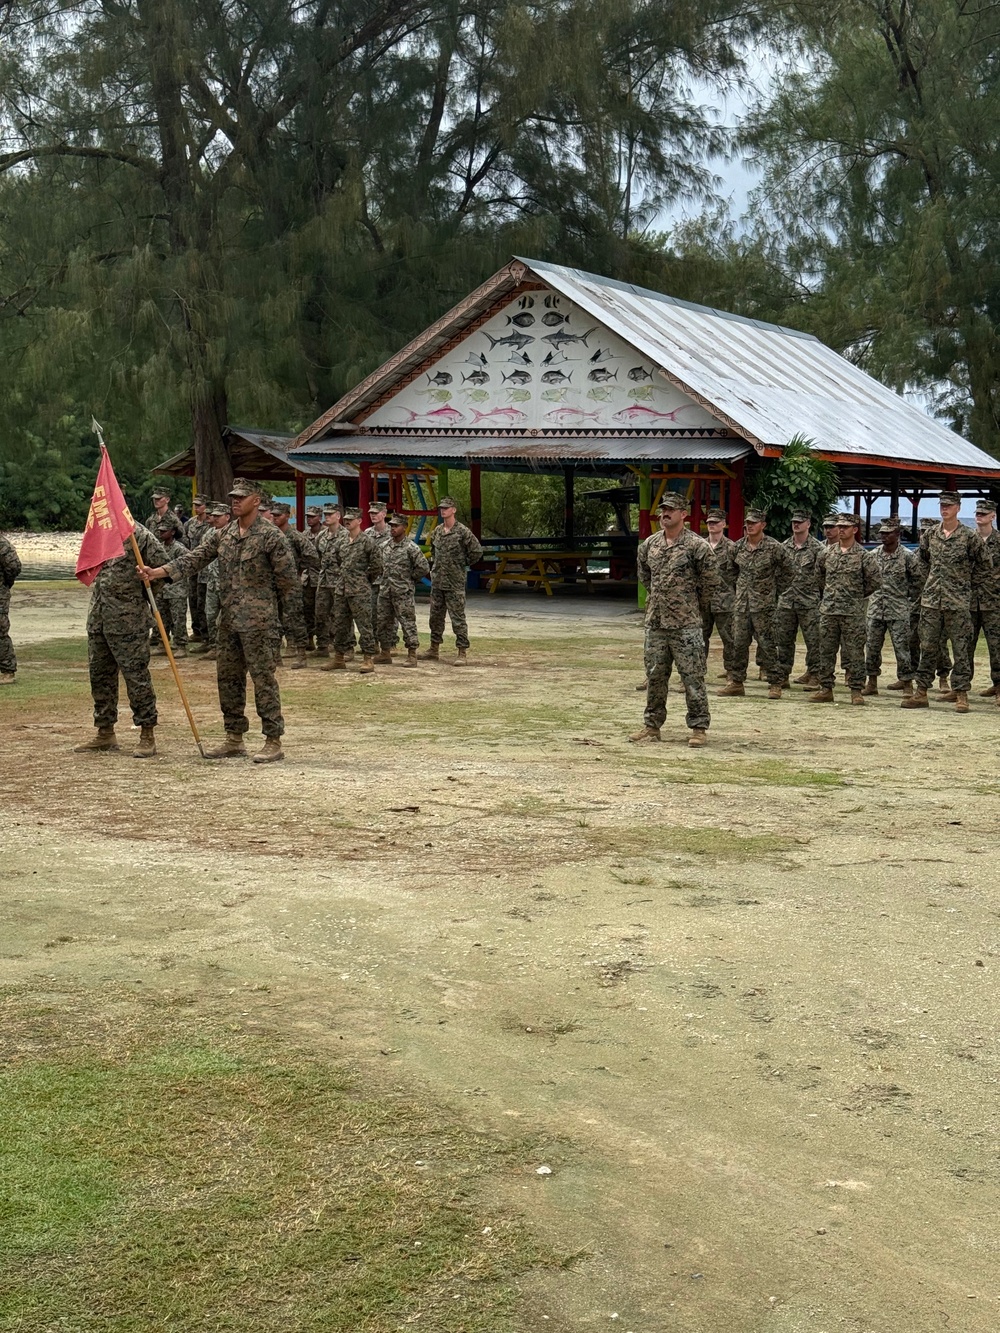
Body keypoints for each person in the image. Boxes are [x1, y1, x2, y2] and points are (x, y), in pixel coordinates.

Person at [139, 477, 305, 763]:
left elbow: (288, 585)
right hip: (227, 621)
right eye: (233, 497)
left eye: (242, 497)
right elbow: (195, 558)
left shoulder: (271, 536)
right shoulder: (223, 534)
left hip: (259, 623)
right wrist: (159, 571)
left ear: (256, 500)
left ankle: (273, 739)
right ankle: (234, 737)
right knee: (228, 679)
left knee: (263, 679)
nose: (235, 501)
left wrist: (291, 632)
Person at [74, 521, 168, 757]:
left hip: (128, 621)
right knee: (100, 677)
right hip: (99, 619)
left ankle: (147, 733)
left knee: (136, 678)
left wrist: (140, 599)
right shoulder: (99, 535)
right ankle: (105, 732)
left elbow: (162, 569)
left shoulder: (139, 535)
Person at [631, 494, 718, 748]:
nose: (665, 513)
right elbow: (645, 576)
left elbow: (711, 582)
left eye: (670, 509)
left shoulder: (696, 546)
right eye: (663, 509)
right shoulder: (650, 544)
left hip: (686, 624)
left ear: (684, 514)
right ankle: (652, 725)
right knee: (655, 676)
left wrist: (689, 604)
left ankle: (699, 727)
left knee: (693, 676)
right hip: (656, 622)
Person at [903, 490, 992, 712]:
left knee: (961, 649)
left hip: (958, 602)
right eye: (942, 505)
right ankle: (921, 691)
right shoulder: (931, 534)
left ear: (958, 508)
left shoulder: (969, 536)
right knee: (928, 647)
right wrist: (928, 585)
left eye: (949, 506)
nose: (945, 509)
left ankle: (961, 694)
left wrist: (966, 585)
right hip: (932, 602)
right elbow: (922, 562)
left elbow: (984, 565)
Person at [717, 507, 795, 699]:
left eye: (754, 523)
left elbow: (789, 571)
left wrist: (774, 591)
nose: (750, 526)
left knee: (767, 644)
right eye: (748, 523)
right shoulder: (737, 547)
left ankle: (775, 683)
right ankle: (736, 682)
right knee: (738, 644)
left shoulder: (774, 547)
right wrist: (739, 588)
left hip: (765, 606)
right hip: (742, 605)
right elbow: (728, 570)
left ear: (763, 525)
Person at [807, 512, 881, 704]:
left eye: (845, 527)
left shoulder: (864, 556)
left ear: (854, 530)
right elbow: (819, 577)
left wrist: (854, 595)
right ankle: (826, 688)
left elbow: (874, 581)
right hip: (829, 610)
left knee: (855, 651)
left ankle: (856, 689)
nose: (840, 530)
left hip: (852, 612)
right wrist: (832, 595)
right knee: (826, 650)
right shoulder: (826, 553)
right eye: (838, 526)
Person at [419, 497, 483, 664]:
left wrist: (462, 563)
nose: (443, 511)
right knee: (435, 617)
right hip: (438, 581)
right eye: (441, 508)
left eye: (446, 508)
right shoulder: (437, 532)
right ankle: (434, 649)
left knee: (458, 618)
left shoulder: (462, 531)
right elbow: (434, 552)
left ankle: (462, 652)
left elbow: (476, 552)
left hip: (454, 582)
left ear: (453, 510)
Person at [863, 515, 918, 696]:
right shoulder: (872, 556)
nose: (883, 536)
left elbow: (918, 582)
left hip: (898, 610)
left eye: (888, 533)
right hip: (876, 609)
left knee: (902, 649)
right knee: (871, 647)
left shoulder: (908, 557)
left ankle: (906, 683)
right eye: (881, 533)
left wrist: (906, 598)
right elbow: (865, 580)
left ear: (897, 534)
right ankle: (871, 682)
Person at [328, 508, 382, 673]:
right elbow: (337, 559)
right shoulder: (342, 540)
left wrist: (364, 579)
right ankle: (339, 658)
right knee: (340, 624)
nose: (347, 522)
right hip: (342, 589)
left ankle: (368, 658)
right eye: (346, 519)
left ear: (359, 521)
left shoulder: (367, 541)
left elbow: (377, 565)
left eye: (351, 519)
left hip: (359, 590)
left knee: (364, 624)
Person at [775, 509, 823, 688]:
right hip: (786, 601)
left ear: (808, 524)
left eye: (800, 522)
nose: (796, 524)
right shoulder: (782, 547)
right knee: (784, 641)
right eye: (794, 521)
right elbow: (777, 573)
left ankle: (814, 674)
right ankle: (782, 675)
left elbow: (824, 575)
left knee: (814, 641)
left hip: (809, 602)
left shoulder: (818, 549)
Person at [375, 513, 430, 666]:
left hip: (403, 592)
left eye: (396, 526)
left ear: (404, 528)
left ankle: (412, 654)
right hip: (385, 591)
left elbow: (424, 567)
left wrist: (410, 579)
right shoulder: (384, 546)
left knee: (407, 623)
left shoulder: (411, 547)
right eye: (391, 526)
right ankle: (385, 652)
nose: (392, 528)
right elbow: (378, 565)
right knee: (383, 622)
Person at [273, 502, 319, 669]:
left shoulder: (296, 536)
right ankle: (275, 654)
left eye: (278, 515)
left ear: (287, 516)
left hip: (291, 585)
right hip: (272, 584)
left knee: (296, 619)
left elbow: (313, 557)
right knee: (273, 619)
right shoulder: (270, 535)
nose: (275, 518)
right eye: (273, 515)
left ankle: (301, 654)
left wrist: (299, 570)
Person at [909, 515, 952, 693]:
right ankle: (911, 677)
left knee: (939, 644)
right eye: (921, 532)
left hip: (937, 606)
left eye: (927, 532)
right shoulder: (912, 557)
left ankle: (943, 677)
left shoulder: (942, 557)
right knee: (912, 641)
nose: (923, 535)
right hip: (917, 606)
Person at [970, 498, 1000, 701]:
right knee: (964, 646)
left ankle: (998, 686)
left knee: (996, 646)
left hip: (994, 601)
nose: (979, 516)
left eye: (983, 513)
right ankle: (960, 686)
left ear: (993, 516)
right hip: (969, 601)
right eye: (977, 513)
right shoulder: (967, 540)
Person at [702, 507, 737, 681]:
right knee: (700, 639)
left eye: (715, 522)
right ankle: (696, 673)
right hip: (703, 601)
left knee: (730, 639)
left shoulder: (732, 548)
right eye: (709, 522)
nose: (711, 525)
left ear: (723, 524)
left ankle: (732, 672)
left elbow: (739, 574)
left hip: (725, 601)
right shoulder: (700, 546)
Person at [314, 504, 347, 660]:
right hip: (324, 581)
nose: (326, 517)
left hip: (339, 581)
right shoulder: (321, 536)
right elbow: (318, 557)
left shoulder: (346, 536)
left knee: (341, 616)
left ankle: (347, 647)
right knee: (320, 614)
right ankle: (322, 645)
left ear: (338, 516)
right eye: (325, 514)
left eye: (330, 514)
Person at [155, 521, 190, 656]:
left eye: (164, 531)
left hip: (177, 590)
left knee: (178, 619)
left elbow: (186, 565)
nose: (161, 533)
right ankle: (162, 644)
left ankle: (181, 645)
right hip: (162, 590)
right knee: (162, 619)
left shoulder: (179, 549)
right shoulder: (159, 547)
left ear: (173, 532)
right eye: (160, 531)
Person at [201, 502, 231, 659]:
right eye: (214, 516)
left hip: (228, 584)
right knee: (211, 614)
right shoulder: (208, 535)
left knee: (228, 617)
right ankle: (214, 646)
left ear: (227, 517)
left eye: (219, 516)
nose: (215, 518)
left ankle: (227, 647)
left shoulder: (233, 534)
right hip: (212, 582)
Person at [184, 494, 211, 643]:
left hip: (206, 566)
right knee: (192, 597)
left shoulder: (210, 523)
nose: (196, 508)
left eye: (199, 505)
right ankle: (196, 631)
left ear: (206, 506)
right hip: (192, 566)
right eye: (195, 505)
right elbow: (184, 541)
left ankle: (205, 632)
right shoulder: (190, 523)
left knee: (203, 600)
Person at [367, 501, 393, 641]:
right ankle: (374, 642)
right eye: (371, 513)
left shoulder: (392, 532)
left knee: (388, 613)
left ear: (383, 514)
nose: (373, 515)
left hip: (388, 580)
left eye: (376, 513)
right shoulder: (367, 533)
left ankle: (391, 642)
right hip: (372, 580)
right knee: (371, 611)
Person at [0, 531, 21, 686]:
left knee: (0, 631)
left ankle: (8, 671)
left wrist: (5, 584)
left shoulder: (2, 543)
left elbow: (14, 567)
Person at [301, 504, 323, 648]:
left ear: (319, 518)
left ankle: (326, 640)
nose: (309, 519)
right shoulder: (304, 535)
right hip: (307, 579)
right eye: (308, 517)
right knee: (307, 610)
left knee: (324, 612)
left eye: (312, 517)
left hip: (323, 578)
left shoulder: (326, 534)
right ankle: (309, 638)